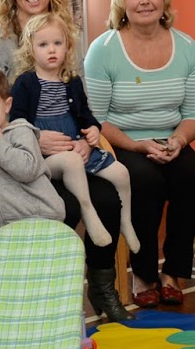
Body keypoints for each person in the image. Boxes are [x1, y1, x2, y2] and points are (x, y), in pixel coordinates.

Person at [0, 0, 130, 323]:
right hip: (22, 159)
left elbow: (78, 102)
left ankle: (101, 288)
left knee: (109, 198)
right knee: (58, 206)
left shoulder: (65, 34)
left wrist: (85, 138)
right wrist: (34, 138)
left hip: (70, 150)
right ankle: (47, 302)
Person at [84, 0, 195, 308]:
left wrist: (179, 141)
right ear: (122, 2)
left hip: (169, 139)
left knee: (191, 176)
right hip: (119, 141)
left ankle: (173, 273)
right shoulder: (104, 49)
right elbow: (95, 118)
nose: (144, 0)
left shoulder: (186, 47)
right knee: (146, 181)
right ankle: (142, 273)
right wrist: (137, 145)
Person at [10, 13, 139, 251]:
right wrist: (36, 137)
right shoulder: (24, 83)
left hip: (78, 146)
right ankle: (88, 212)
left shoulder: (72, 80)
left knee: (121, 173)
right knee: (71, 161)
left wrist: (92, 131)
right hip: (47, 157)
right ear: (30, 49)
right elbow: (16, 122)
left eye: (57, 43)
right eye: (43, 44)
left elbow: (86, 115)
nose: (51, 50)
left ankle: (126, 222)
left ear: (67, 46)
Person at [0, 62, 66, 230]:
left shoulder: (21, 131)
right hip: (4, 225)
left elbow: (27, 170)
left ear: (7, 105)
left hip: (42, 217)